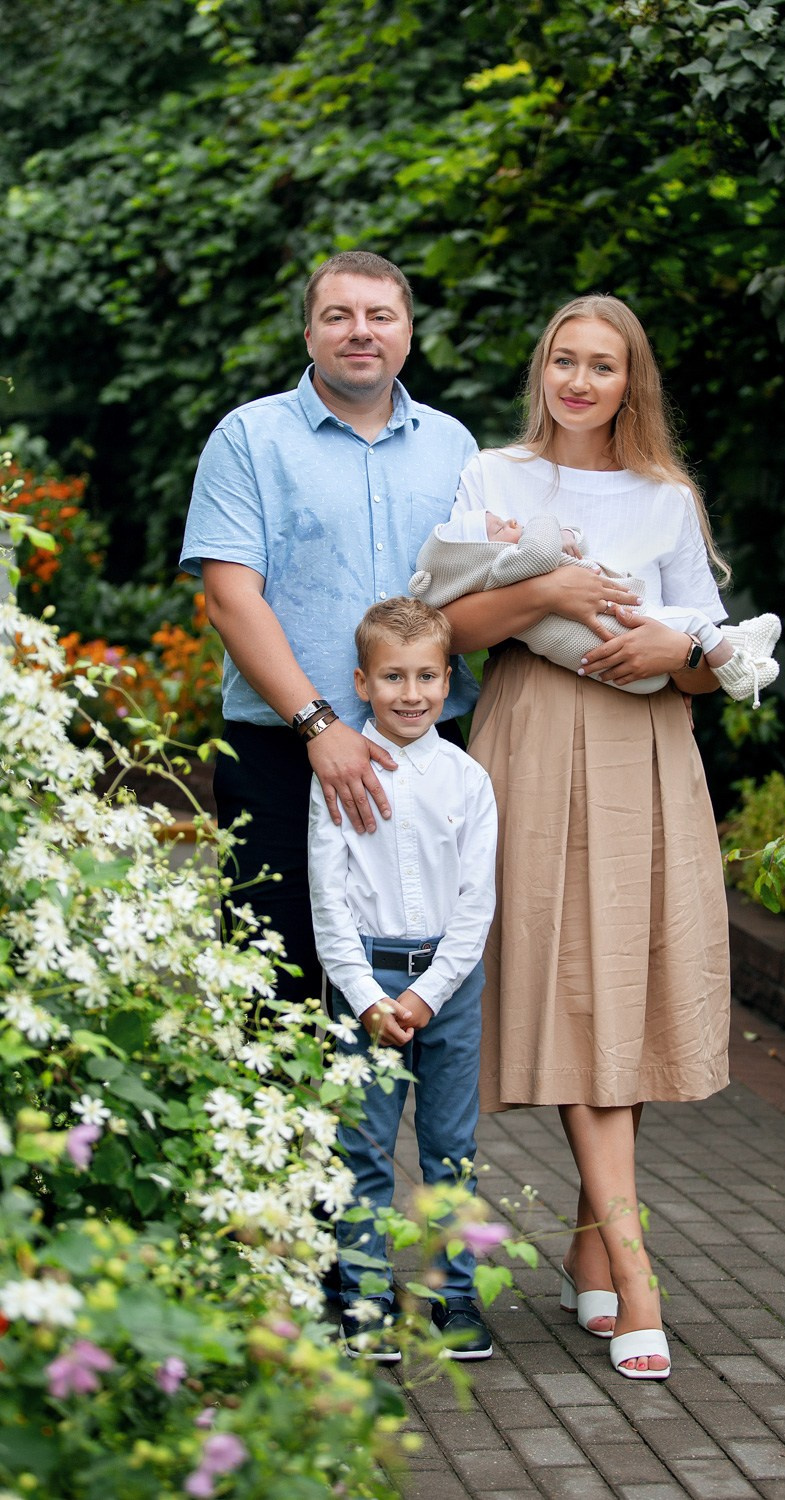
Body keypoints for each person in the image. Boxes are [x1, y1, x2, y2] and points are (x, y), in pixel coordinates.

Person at [440, 294, 733, 1381]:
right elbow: (449, 625)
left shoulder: (667, 498)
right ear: (542, 371)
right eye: (563, 360)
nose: (577, 381)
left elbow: (711, 658)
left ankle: (589, 1244)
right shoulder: (494, 475)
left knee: (629, 978)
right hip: (528, 733)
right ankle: (634, 1269)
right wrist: (548, 591)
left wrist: (675, 651)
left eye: (601, 366)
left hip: (645, 746)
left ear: (629, 382)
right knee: (575, 979)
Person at [179, 251, 478, 1010]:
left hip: (422, 759)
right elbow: (230, 600)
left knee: (414, 988)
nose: (361, 332)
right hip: (280, 756)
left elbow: (481, 591)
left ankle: (387, 1099)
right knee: (272, 988)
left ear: (408, 333)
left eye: (381, 316)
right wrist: (318, 724)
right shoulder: (248, 439)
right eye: (338, 316)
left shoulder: (455, 448)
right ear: (309, 334)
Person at [308, 597, 497, 1363]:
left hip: (450, 987)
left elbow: (476, 905)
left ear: (449, 680)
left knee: (451, 1147)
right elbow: (328, 901)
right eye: (393, 677)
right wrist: (368, 999)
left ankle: (455, 1294)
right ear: (363, 682)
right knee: (363, 1146)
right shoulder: (337, 776)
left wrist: (426, 995)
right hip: (367, 982)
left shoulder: (469, 780)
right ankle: (364, 1293)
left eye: (426, 676)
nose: (411, 694)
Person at [411, 508, 781, 703]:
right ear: (483, 549)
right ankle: (738, 673)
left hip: (642, 672)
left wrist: (684, 654)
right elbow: (541, 552)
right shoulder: (504, 564)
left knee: (688, 628)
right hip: (608, 655)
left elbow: (574, 549)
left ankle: (739, 647)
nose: (511, 520)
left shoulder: (671, 495)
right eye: (498, 527)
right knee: (696, 621)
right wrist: (546, 522)